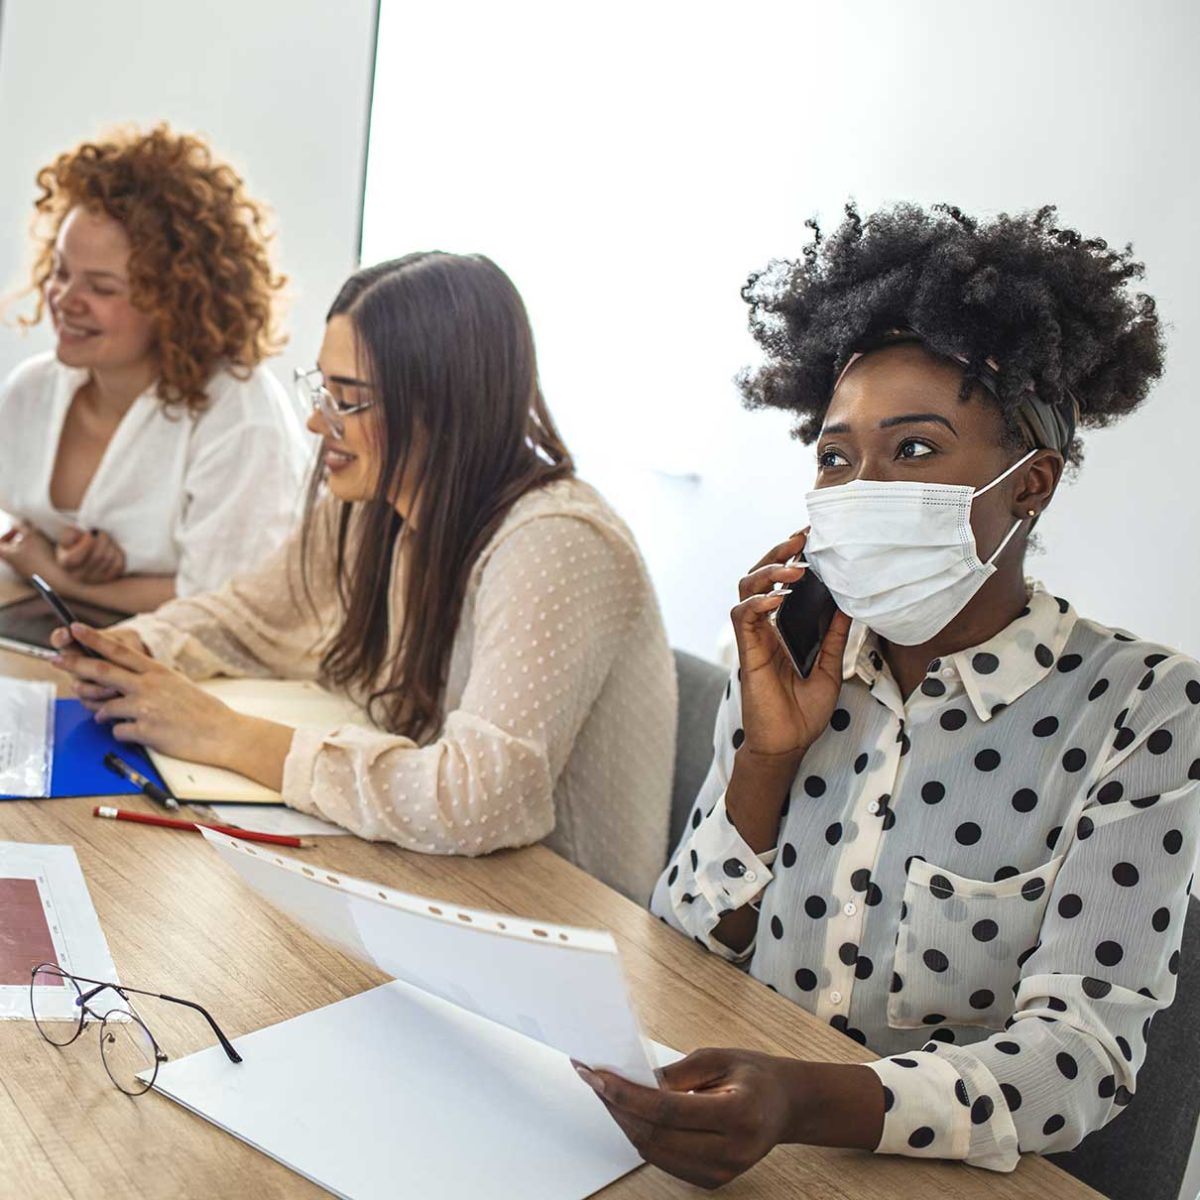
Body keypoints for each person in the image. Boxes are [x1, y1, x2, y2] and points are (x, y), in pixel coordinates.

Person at [574, 203, 1198, 1185]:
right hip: (744, 1156)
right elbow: (685, 941)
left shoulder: (1143, 707)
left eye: (912, 450)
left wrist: (803, 1101)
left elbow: (1082, 1057)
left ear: (1030, 487)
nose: (859, 487)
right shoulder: (798, 649)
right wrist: (766, 759)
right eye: (834, 456)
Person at [51, 252, 676, 901]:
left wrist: (222, 733)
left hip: (547, 911)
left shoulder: (555, 542)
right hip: (425, 874)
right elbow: (253, 614)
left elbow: (479, 800)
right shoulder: (374, 504)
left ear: (444, 404)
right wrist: (142, 647)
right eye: (320, 389)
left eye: (346, 399)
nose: (318, 421)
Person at [0, 125, 309, 611]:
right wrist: (70, 556)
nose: (64, 300)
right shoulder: (29, 390)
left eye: (101, 288)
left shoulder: (240, 416)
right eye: (60, 271)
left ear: (175, 302)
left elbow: (230, 605)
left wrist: (59, 575)